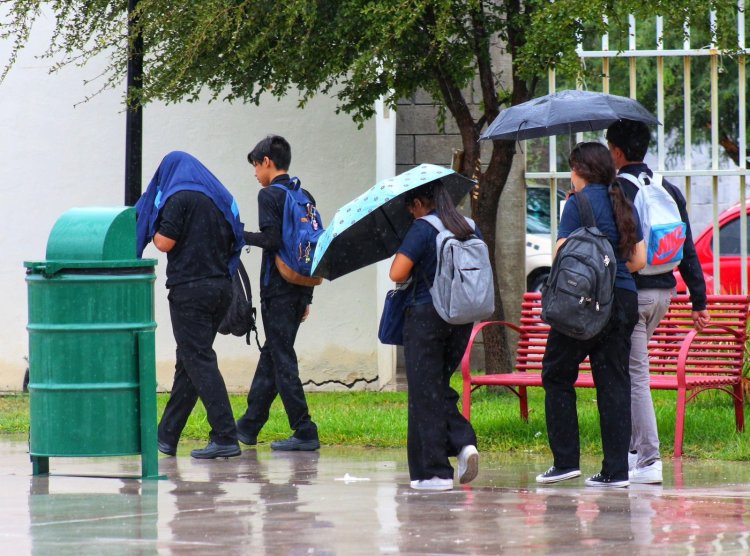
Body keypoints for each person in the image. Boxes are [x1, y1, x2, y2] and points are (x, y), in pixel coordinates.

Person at [536, 142, 646, 488]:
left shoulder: (576, 204)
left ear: (581, 170)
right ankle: (616, 471)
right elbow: (639, 260)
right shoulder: (623, 202)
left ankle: (566, 461)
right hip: (623, 299)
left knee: (556, 374)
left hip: (584, 304)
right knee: (614, 382)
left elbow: (560, 254)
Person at [606, 120, 709, 484]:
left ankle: (649, 459)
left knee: (635, 375)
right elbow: (688, 247)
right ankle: (636, 452)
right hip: (664, 293)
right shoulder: (665, 186)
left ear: (617, 152)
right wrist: (699, 301)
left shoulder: (618, 189)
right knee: (634, 369)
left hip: (635, 293)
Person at [135, 151, 245, 459]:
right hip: (222, 288)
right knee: (189, 362)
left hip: (190, 290)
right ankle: (166, 436)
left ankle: (225, 436)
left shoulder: (178, 197)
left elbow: (164, 242)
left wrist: (150, 222)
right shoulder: (217, 198)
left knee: (198, 359)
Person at [389, 181, 480, 491]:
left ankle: (435, 472)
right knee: (434, 387)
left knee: (425, 392)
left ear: (418, 202)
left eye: (410, 207)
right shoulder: (468, 225)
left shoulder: (423, 228)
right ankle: (459, 445)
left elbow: (397, 273)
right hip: (460, 318)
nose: (410, 213)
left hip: (426, 317)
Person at [235, 135, 320, 451]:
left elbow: (271, 241)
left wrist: (239, 235)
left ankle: (304, 429)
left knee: (281, 359)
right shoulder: (304, 195)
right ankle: (248, 425)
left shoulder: (269, 195)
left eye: (256, 166)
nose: (255, 174)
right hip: (299, 287)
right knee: (273, 355)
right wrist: (307, 296)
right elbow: (310, 246)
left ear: (267, 162)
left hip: (277, 290)